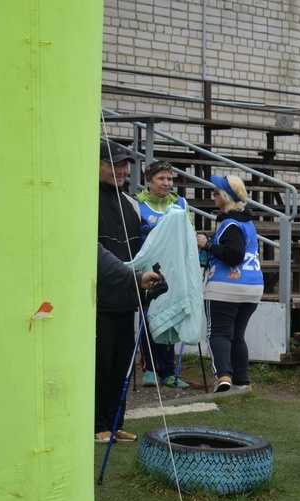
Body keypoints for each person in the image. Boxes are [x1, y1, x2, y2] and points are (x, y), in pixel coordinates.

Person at [96, 139, 160, 443]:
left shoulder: (129, 204)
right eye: (113, 164)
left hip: (128, 300)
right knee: (100, 366)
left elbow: (143, 250)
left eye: (124, 165)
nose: (121, 170)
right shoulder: (87, 200)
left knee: (122, 366)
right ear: (96, 166)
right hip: (98, 301)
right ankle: (97, 425)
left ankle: (114, 421)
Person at [197, 174, 263, 393]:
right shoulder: (248, 222)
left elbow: (234, 255)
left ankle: (223, 377)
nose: (213, 196)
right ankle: (242, 381)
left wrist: (208, 245)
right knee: (237, 336)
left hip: (226, 286)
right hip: (252, 286)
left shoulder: (230, 222)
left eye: (215, 192)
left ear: (225, 197)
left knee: (218, 333)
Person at [135, 160, 193, 388]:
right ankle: (149, 369)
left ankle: (168, 372)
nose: (167, 183)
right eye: (161, 178)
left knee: (171, 317)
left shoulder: (179, 203)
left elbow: (189, 233)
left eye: (170, 179)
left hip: (173, 275)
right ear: (149, 181)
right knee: (148, 318)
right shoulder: (137, 203)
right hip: (147, 273)